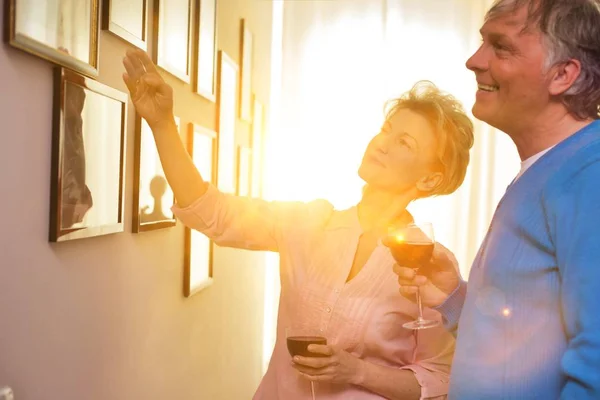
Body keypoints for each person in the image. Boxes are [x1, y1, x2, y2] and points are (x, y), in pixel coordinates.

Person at [122, 49, 474, 399]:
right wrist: (162, 123)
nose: (381, 144)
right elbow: (210, 211)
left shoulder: (430, 266)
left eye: (404, 143)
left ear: (429, 180)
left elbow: (438, 379)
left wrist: (357, 371)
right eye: (385, 130)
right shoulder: (308, 222)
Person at [395, 0, 600, 399]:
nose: (474, 60)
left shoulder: (588, 176)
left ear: (562, 74)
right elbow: (522, 346)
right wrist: (454, 299)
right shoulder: (549, 169)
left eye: (500, 47)